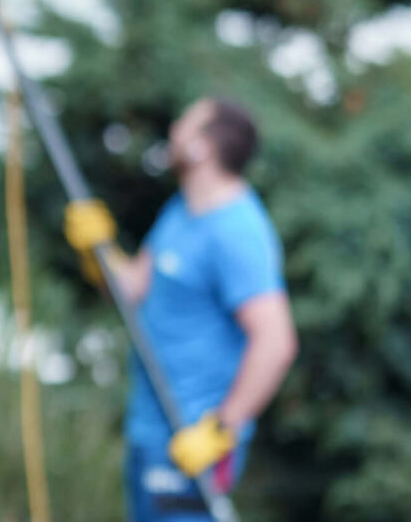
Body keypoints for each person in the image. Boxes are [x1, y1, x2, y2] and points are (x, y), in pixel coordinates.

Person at [69, 98, 298, 519]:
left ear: (203, 147)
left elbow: (276, 340)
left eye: (186, 125)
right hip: (151, 430)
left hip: (193, 439)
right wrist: (97, 251)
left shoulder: (237, 227)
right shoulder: (182, 211)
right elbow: (134, 288)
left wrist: (221, 430)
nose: (174, 131)